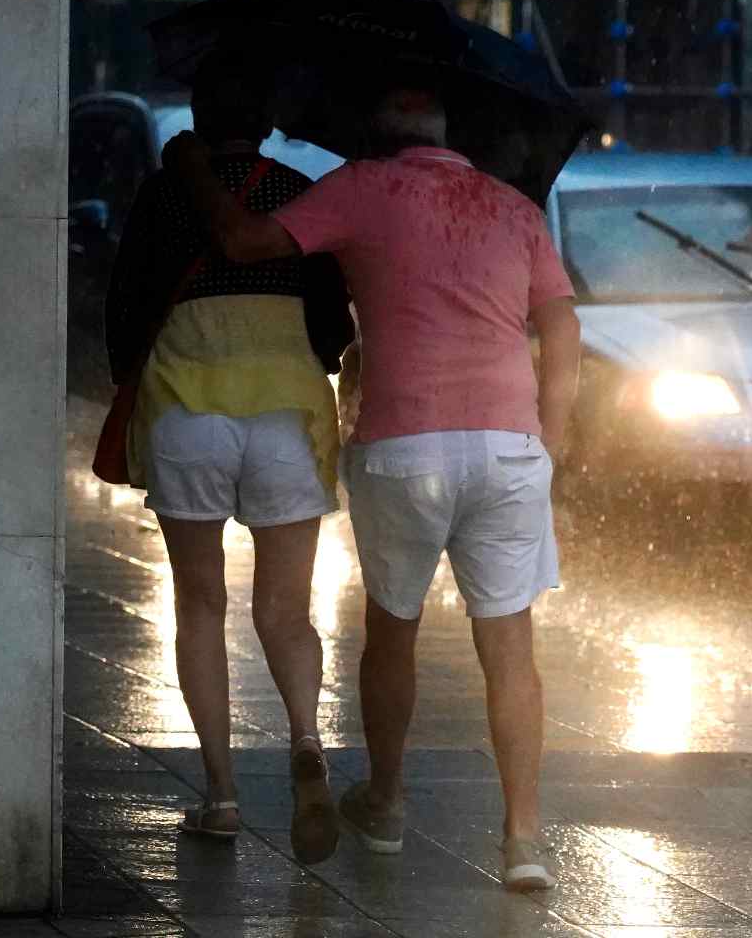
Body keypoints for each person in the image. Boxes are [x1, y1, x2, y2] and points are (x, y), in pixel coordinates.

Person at [163, 80, 582, 891]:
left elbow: (245, 243)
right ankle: (523, 840)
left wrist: (193, 168)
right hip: (508, 447)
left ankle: (386, 804)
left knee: (394, 630)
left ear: (375, 135)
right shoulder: (512, 206)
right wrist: (549, 440)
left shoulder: (362, 186)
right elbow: (562, 322)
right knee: (511, 648)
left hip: (406, 445)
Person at [104, 54, 353, 864]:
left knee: (201, 606)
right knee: (285, 612)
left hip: (187, 407)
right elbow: (331, 327)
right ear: (268, 122)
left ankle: (220, 795)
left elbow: (125, 305)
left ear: (198, 123)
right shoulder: (296, 195)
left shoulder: (165, 194)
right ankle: (308, 739)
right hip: (286, 412)